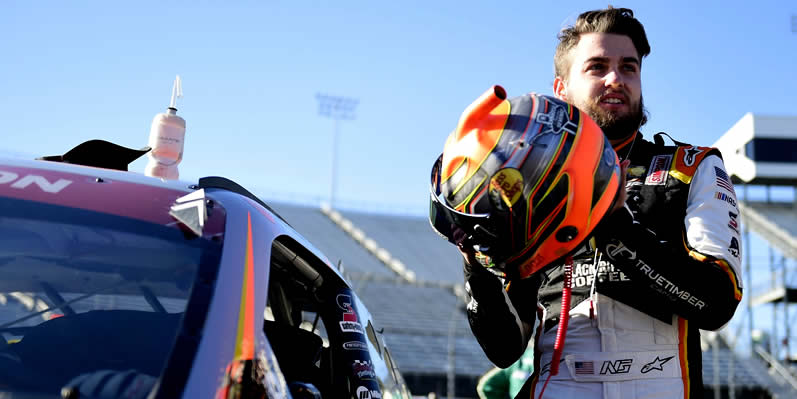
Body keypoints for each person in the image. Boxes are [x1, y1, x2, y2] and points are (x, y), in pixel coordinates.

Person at [435, 7, 744, 399]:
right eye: (597, 67)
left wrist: (614, 227)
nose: (616, 79)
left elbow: (716, 305)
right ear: (561, 89)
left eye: (628, 67)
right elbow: (504, 348)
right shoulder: (524, 183)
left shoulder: (691, 167)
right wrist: (475, 262)